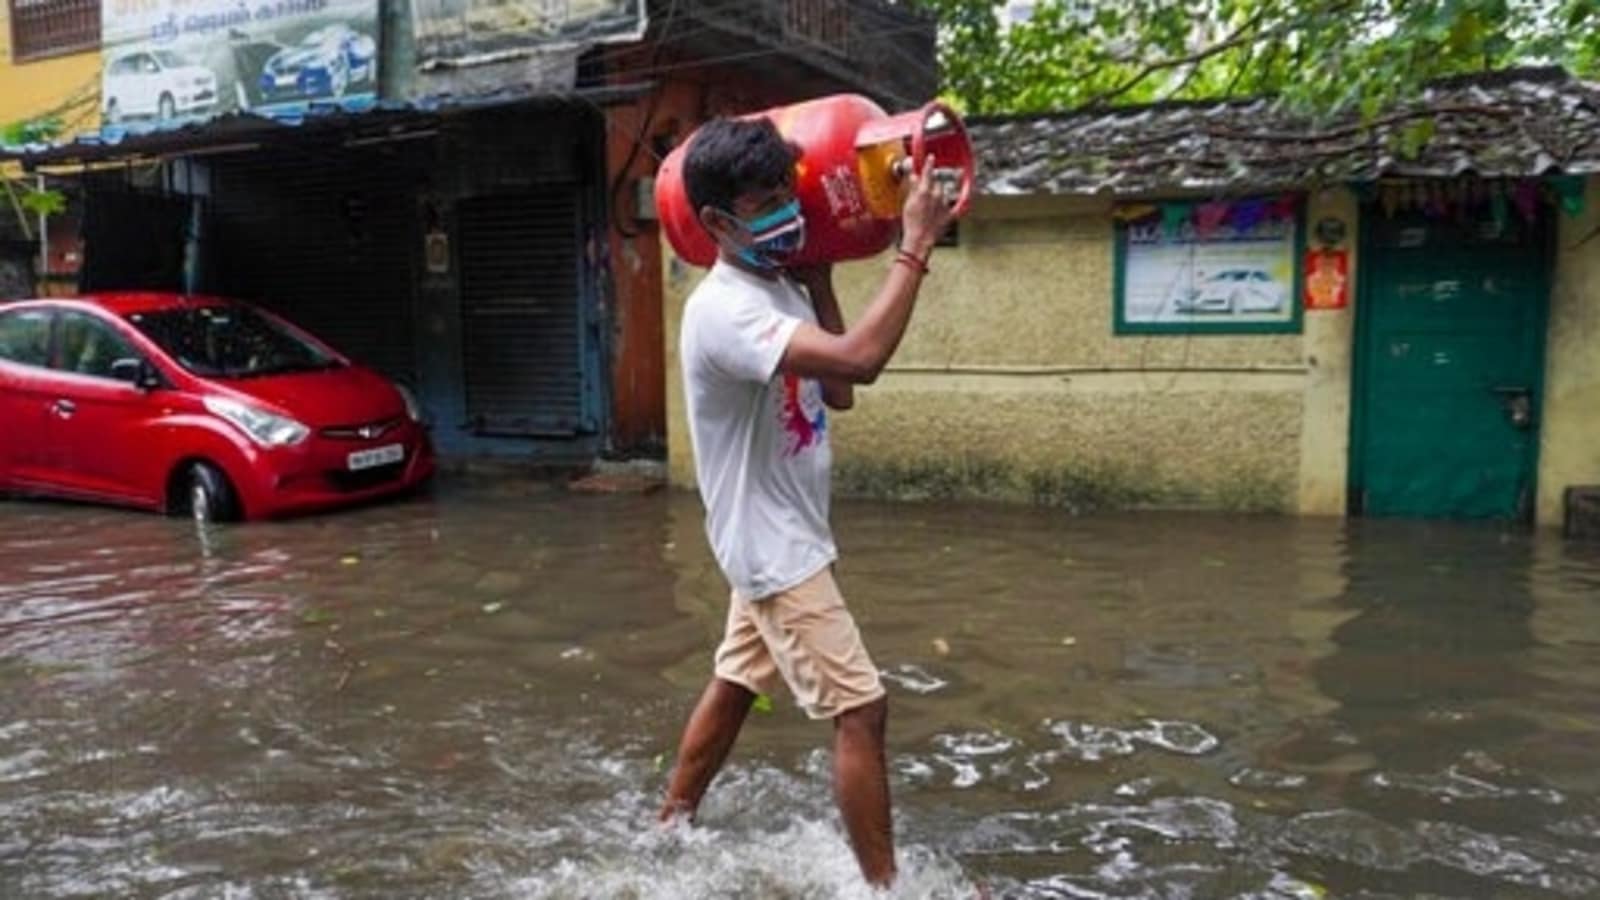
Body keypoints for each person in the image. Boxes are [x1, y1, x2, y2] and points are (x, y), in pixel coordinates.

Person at [659, 114, 957, 888]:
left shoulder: (783, 285)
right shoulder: (724, 310)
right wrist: (914, 243)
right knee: (863, 709)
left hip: (776, 532)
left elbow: (835, 395)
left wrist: (821, 274)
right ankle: (885, 887)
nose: (786, 210)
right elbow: (859, 362)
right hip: (773, 548)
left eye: (786, 192)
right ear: (720, 223)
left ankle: (669, 826)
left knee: (734, 684)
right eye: (765, 201)